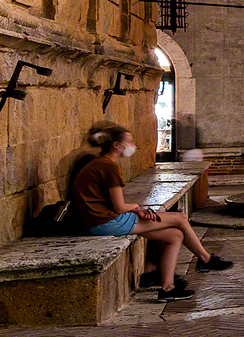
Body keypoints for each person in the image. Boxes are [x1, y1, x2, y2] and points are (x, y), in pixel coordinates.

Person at [70, 123, 232, 301]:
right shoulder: (109, 166)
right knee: (179, 218)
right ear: (116, 145)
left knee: (175, 236)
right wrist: (135, 207)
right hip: (106, 222)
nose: (133, 146)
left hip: (100, 220)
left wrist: (134, 209)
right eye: (129, 142)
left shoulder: (100, 163)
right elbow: (119, 207)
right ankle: (205, 259)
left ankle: (167, 288)